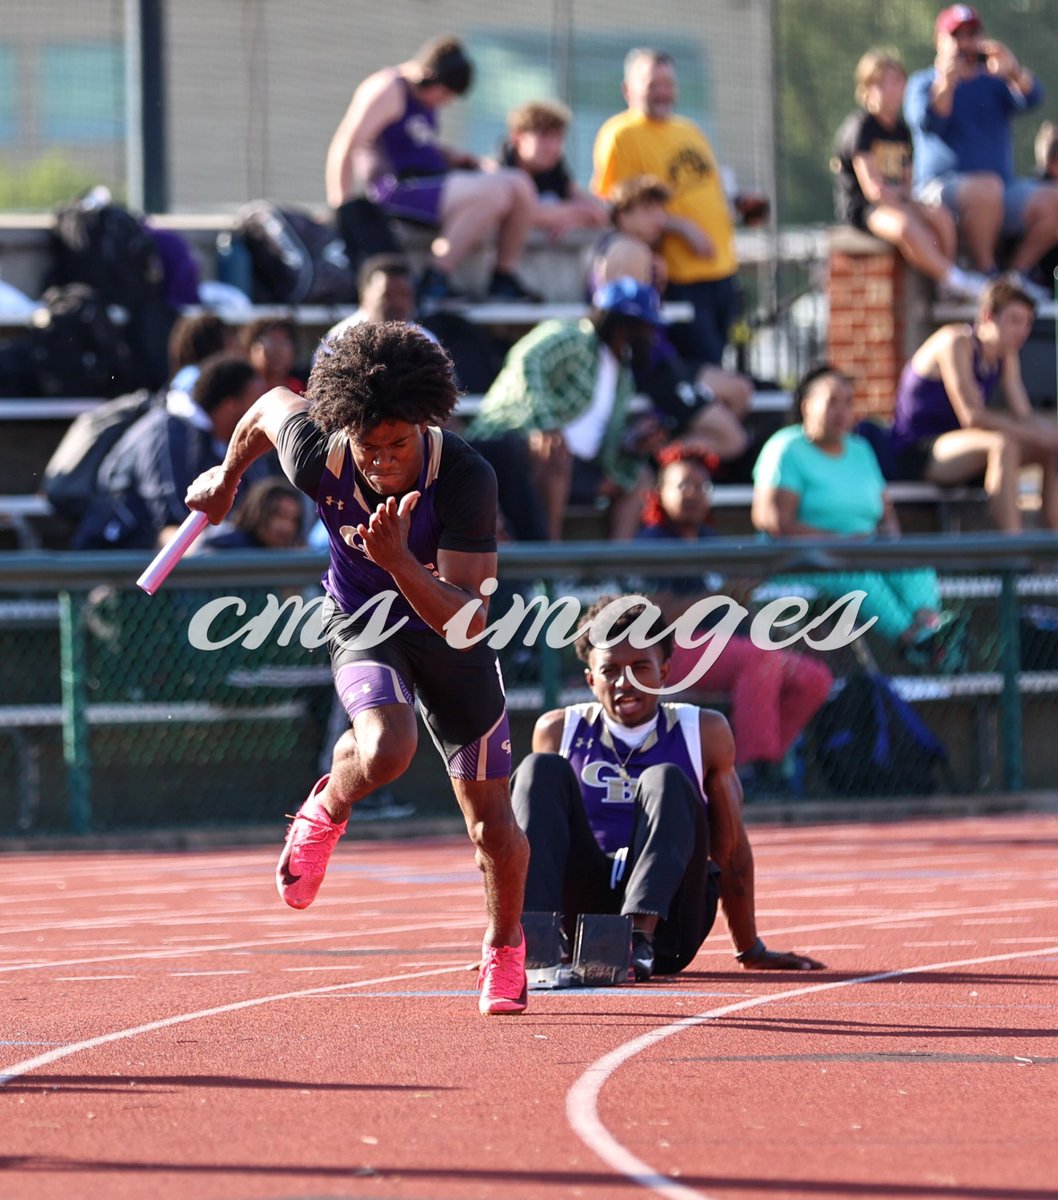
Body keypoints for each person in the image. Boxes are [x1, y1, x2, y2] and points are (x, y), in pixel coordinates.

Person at [184, 321, 530, 1017]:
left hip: (451, 633)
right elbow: (264, 411)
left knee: (491, 821)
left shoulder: (465, 476)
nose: (380, 463)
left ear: (425, 428)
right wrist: (227, 477)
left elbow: (465, 619)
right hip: (365, 626)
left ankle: (504, 948)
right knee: (385, 748)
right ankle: (327, 806)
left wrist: (400, 559)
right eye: (368, 449)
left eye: (397, 446)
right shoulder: (322, 455)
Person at [512, 595, 825, 980]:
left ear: (664, 672)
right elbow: (523, 842)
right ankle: (532, 941)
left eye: (641, 667)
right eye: (611, 671)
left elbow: (731, 849)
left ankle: (635, 943)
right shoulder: (560, 730)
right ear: (591, 680)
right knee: (537, 770)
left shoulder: (703, 731)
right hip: (585, 917)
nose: (625, 682)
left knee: (665, 778)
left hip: (668, 924)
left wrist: (751, 948)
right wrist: (503, 932)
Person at [636, 448, 833, 793]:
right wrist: (718, 597)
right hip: (670, 652)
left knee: (814, 677)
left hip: (728, 647)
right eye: (683, 486)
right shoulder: (648, 543)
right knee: (759, 658)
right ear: (659, 493)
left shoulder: (715, 542)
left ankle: (758, 769)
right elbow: (652, 618)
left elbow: (737, 607)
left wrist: (787, 631)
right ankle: (753, 773)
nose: (695, 494)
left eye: (703, 487)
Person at [752, 364, 959, 668]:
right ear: (806, 405)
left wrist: (892, 544)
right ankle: (912, 641)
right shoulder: (785, 448)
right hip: (806, 560)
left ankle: (930, 627)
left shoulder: (860, 449)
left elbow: (884, 514)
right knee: (854, 573)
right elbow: (774, 523)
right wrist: (843, 542)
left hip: (865, 550)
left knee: (914, 562)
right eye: (832, 401)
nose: (842, 410)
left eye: (848, 402)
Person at [325, 35, 537, 305]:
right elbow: (346, 142)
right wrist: (342, 205)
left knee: (519, 183)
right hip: (395, 188)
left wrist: (456, 157)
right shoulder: (389, 88)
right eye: (444, 93)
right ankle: (435, 278)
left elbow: (417, 143)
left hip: (429, 181)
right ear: (429, 76)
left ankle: (503, 278)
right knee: (498, 190)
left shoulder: (424, 100)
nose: (443, 102)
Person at [592, 48, 767, 373]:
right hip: (679, 275)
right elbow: (616, 206)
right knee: (704, 369)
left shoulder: (689, 130)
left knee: (721, 365)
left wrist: (739, 206)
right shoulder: (622, 134)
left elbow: (708, 190)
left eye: (668, 83)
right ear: (628, 89)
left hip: (721, 271)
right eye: (652, 83)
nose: (662, 91)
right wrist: (679, 227)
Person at [465, 277, 668, 541]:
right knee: (556, 451)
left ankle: (618, 569)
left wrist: (630, 442)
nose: (652, 336)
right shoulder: (573, 336)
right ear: (623, 324)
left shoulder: (623, 378)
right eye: (646, 327)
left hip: (582, 467)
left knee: (639, 477)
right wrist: (548, 424)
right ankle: (552, 564)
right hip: (515, 445)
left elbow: (600, 437)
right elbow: (528, 360)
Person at [590, 174, 751, 460]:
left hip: (665, 362)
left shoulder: (635, 249)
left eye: (661, 209)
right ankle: (654, 462)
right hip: (652, 370)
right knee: (732, 439)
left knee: (739, 391)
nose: (660, 218)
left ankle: (670, 453)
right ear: (623, 214)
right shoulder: (630, 251)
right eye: (649, 209)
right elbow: (625, 327)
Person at [904, 5, 1058, 287]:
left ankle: (1014, 278)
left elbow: (1034, 97)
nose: (965, 43)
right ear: (939, 41)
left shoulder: (993, 79)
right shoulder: (922, 82)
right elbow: (928, 122)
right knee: (987, 188)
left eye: (972, 34)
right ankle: (986, 274)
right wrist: (946, 82)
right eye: (956, 36)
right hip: (939, 191)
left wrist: (1013, 69)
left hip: (1000, 191)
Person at [891, 275, 1058, 532]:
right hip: (919, 448)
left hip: (964, 447)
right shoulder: (955, 341)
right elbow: (973, 417)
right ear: (988, 317)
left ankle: (1051, 546)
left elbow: (1024, 415)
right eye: (1015, 321)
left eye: (1027, 323)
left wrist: (1050, 436)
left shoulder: (1006, 356)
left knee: (1051, 450)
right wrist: (1039, 434)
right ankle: (1012, 555)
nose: (1022, 331)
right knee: (1003, 444)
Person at [833, 47, 987, 301]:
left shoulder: (900, 130)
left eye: (896, 81)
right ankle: (956, 280)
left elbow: (907, 182)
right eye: (883, 83)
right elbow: (874, 190)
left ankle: (945, 286)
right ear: (867, 88)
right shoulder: (862, 127)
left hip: (899, 200)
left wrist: (915, 207)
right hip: (866, 210)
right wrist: (911, 213)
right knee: (907, 228)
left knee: (941, 217)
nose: (893, 89)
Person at [74, 354, 268, 550]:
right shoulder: (166, 431)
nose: (261, 416)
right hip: (120, 555)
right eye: (255, 403)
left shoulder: (219, 441)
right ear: (229, 407)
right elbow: (174, 514)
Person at [499, 99, 609, 239]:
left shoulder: (554, 169)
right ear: (518, 138)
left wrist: (573, 220)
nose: (554, 147)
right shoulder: (497, 172)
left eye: (558, 138)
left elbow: (598, 210)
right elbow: (516, 214)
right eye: (544, 137)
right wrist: (574, 212)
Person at [199, 476, 306, 551]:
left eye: (293, 520)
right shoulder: (224, 544)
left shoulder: (287, 552)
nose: (287, 527)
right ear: (257, 511)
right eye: (279, 515)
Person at [241, 317, 305, 394]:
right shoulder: (243, 391)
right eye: (269, 342)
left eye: (283, 343)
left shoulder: (300, 389)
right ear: (250, 350)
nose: (277, 350)